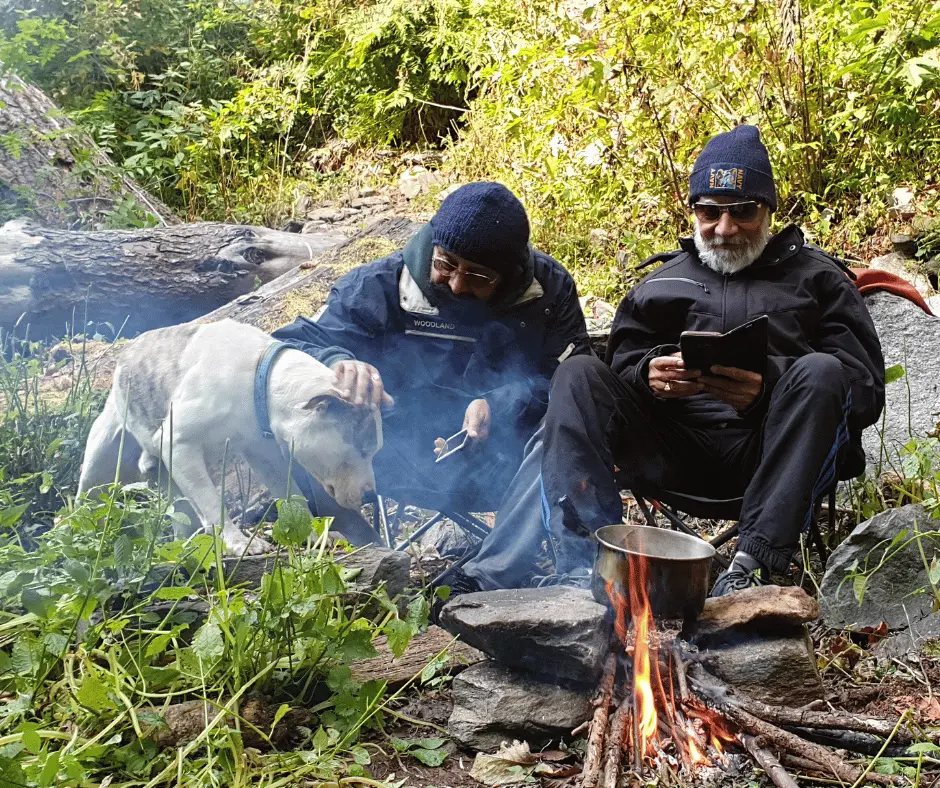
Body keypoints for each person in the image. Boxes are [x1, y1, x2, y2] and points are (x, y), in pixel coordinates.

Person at [447, 125, 885, 597]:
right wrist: (647, 374)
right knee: (577, 373)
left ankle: (751, 565)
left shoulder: (819, 280)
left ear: (770, 211)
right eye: (709, 212)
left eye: (743, 212)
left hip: (773, 452)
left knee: (821, 370)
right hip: (669, 451)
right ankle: (584, 563)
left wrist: (769, 386)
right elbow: (617, 372)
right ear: (692, 211)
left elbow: (862, 392)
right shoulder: (660, 284)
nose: (724, 229)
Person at [273, 181, 592, 543]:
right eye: (447, 264)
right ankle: (365, 555)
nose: (457, 285)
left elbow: (572, 379)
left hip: (509, 463)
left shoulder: (547, 291)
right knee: (299, 420)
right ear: (434, 247)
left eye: (478, 276)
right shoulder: (382, 285)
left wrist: (500, 405)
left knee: (568, 428)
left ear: (511, 273)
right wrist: (336, 360)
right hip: (393, 457)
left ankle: (504, 569)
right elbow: (290, 346)